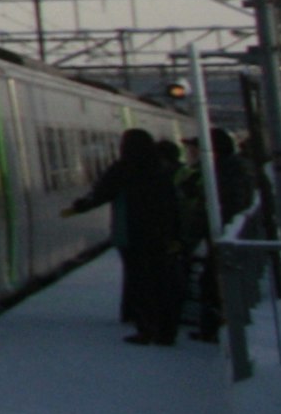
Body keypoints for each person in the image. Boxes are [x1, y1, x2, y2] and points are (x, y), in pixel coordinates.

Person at [69, 128, 195, 344]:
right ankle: (167, 331)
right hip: (162, 234)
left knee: (140, 282)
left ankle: (146, 328)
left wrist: (81, 206)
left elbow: (102, 192)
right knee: (163, 281)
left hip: (133, 233)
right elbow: (174, 204)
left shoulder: (123, 168)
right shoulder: (162, 169)